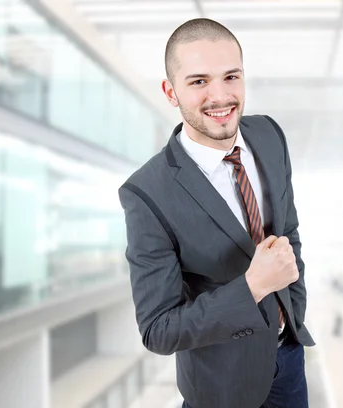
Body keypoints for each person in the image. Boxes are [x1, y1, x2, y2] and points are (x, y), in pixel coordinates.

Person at [118, 18, 315, 408]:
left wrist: (292, 310)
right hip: (221, 386)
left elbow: (288, 228)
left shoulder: (269, 135)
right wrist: (253, 287)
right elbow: (158, 329)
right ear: (170, 92)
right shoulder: (147, 192)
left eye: (231, 77)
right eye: (198, 81)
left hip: (288, 362)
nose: (220, 96)